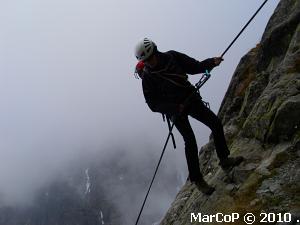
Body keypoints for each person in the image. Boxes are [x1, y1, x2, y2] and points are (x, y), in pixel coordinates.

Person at [135, 38, 244, 195]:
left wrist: (211, 62)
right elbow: (153, 104)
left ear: (156, 51)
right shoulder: (147, 78)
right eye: (146, 61)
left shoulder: (172, 56)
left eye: (150, 58)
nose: (149, 63)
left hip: (190, 99)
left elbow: (194, 67)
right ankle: (197, 179)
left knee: (216, 123)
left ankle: (225, 159)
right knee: (190, 141)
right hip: (175, 111)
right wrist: (174, 108)